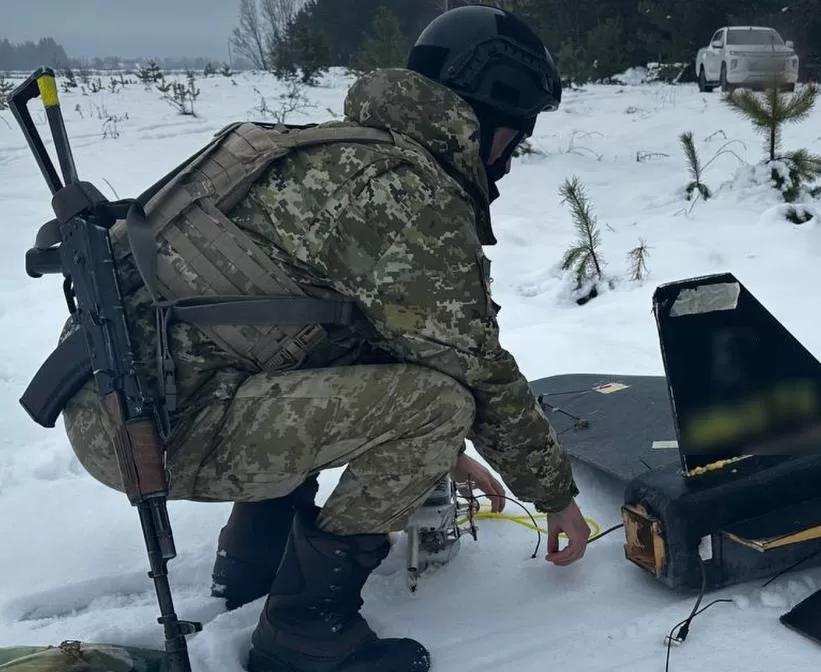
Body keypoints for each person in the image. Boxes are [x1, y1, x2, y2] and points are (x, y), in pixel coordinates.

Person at [58, 5, 589, 671]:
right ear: (490, 117)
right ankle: (306, 628)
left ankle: (254, 559)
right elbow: (473, 363)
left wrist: (449, 456)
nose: (510, 155)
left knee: (348, 361)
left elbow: (379, 336)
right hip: (149, 430)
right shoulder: (403, 193)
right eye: (516, 135)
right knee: (439, 407)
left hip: (121, 395)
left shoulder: (326, 150)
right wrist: (555, 497)